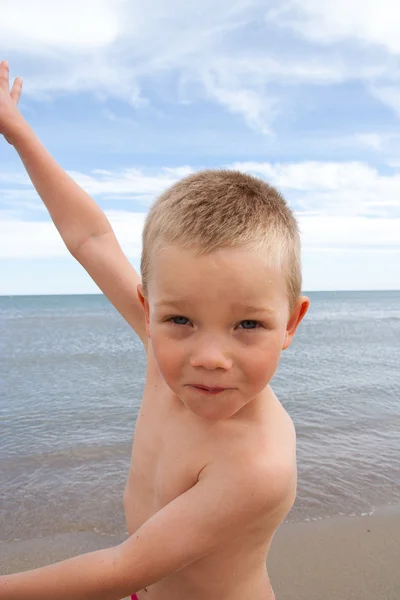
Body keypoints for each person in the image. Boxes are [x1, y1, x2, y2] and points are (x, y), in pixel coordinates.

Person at [0, 59, 309, 600]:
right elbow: (90, 239)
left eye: (248, 324)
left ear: (291, 322)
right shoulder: (158, 344)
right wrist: (17, 131)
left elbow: (123, 568)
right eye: (180, 319)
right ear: (149, 311)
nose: (210, 355)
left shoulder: (258, 463)